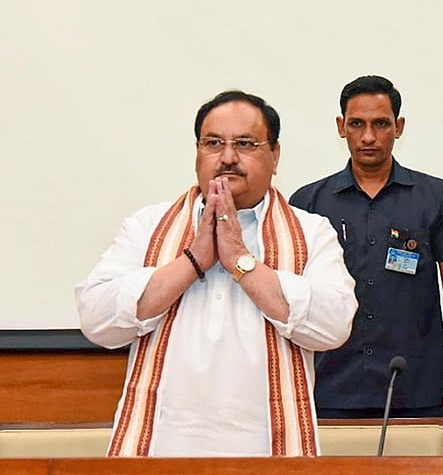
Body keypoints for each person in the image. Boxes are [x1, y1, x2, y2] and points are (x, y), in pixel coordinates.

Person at [75, 90, 358, 457]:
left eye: (245, 144)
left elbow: (333, 325)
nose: (227, 158)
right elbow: (97, 320)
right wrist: (192, 261)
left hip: (268, 452)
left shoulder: (311, 232)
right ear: (197, 153)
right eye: (213, 143)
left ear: (275, 155)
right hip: (163, 449)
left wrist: (242, 262)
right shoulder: (147, 226)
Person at [289, 75, 443, 444]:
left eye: (381, 124)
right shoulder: (309, 203)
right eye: (357, 124)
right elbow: (290, 299)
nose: (369, 136)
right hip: (328, 389)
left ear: (399, 127)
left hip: (417, 389)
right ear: (341, 127)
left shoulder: (435, 197)